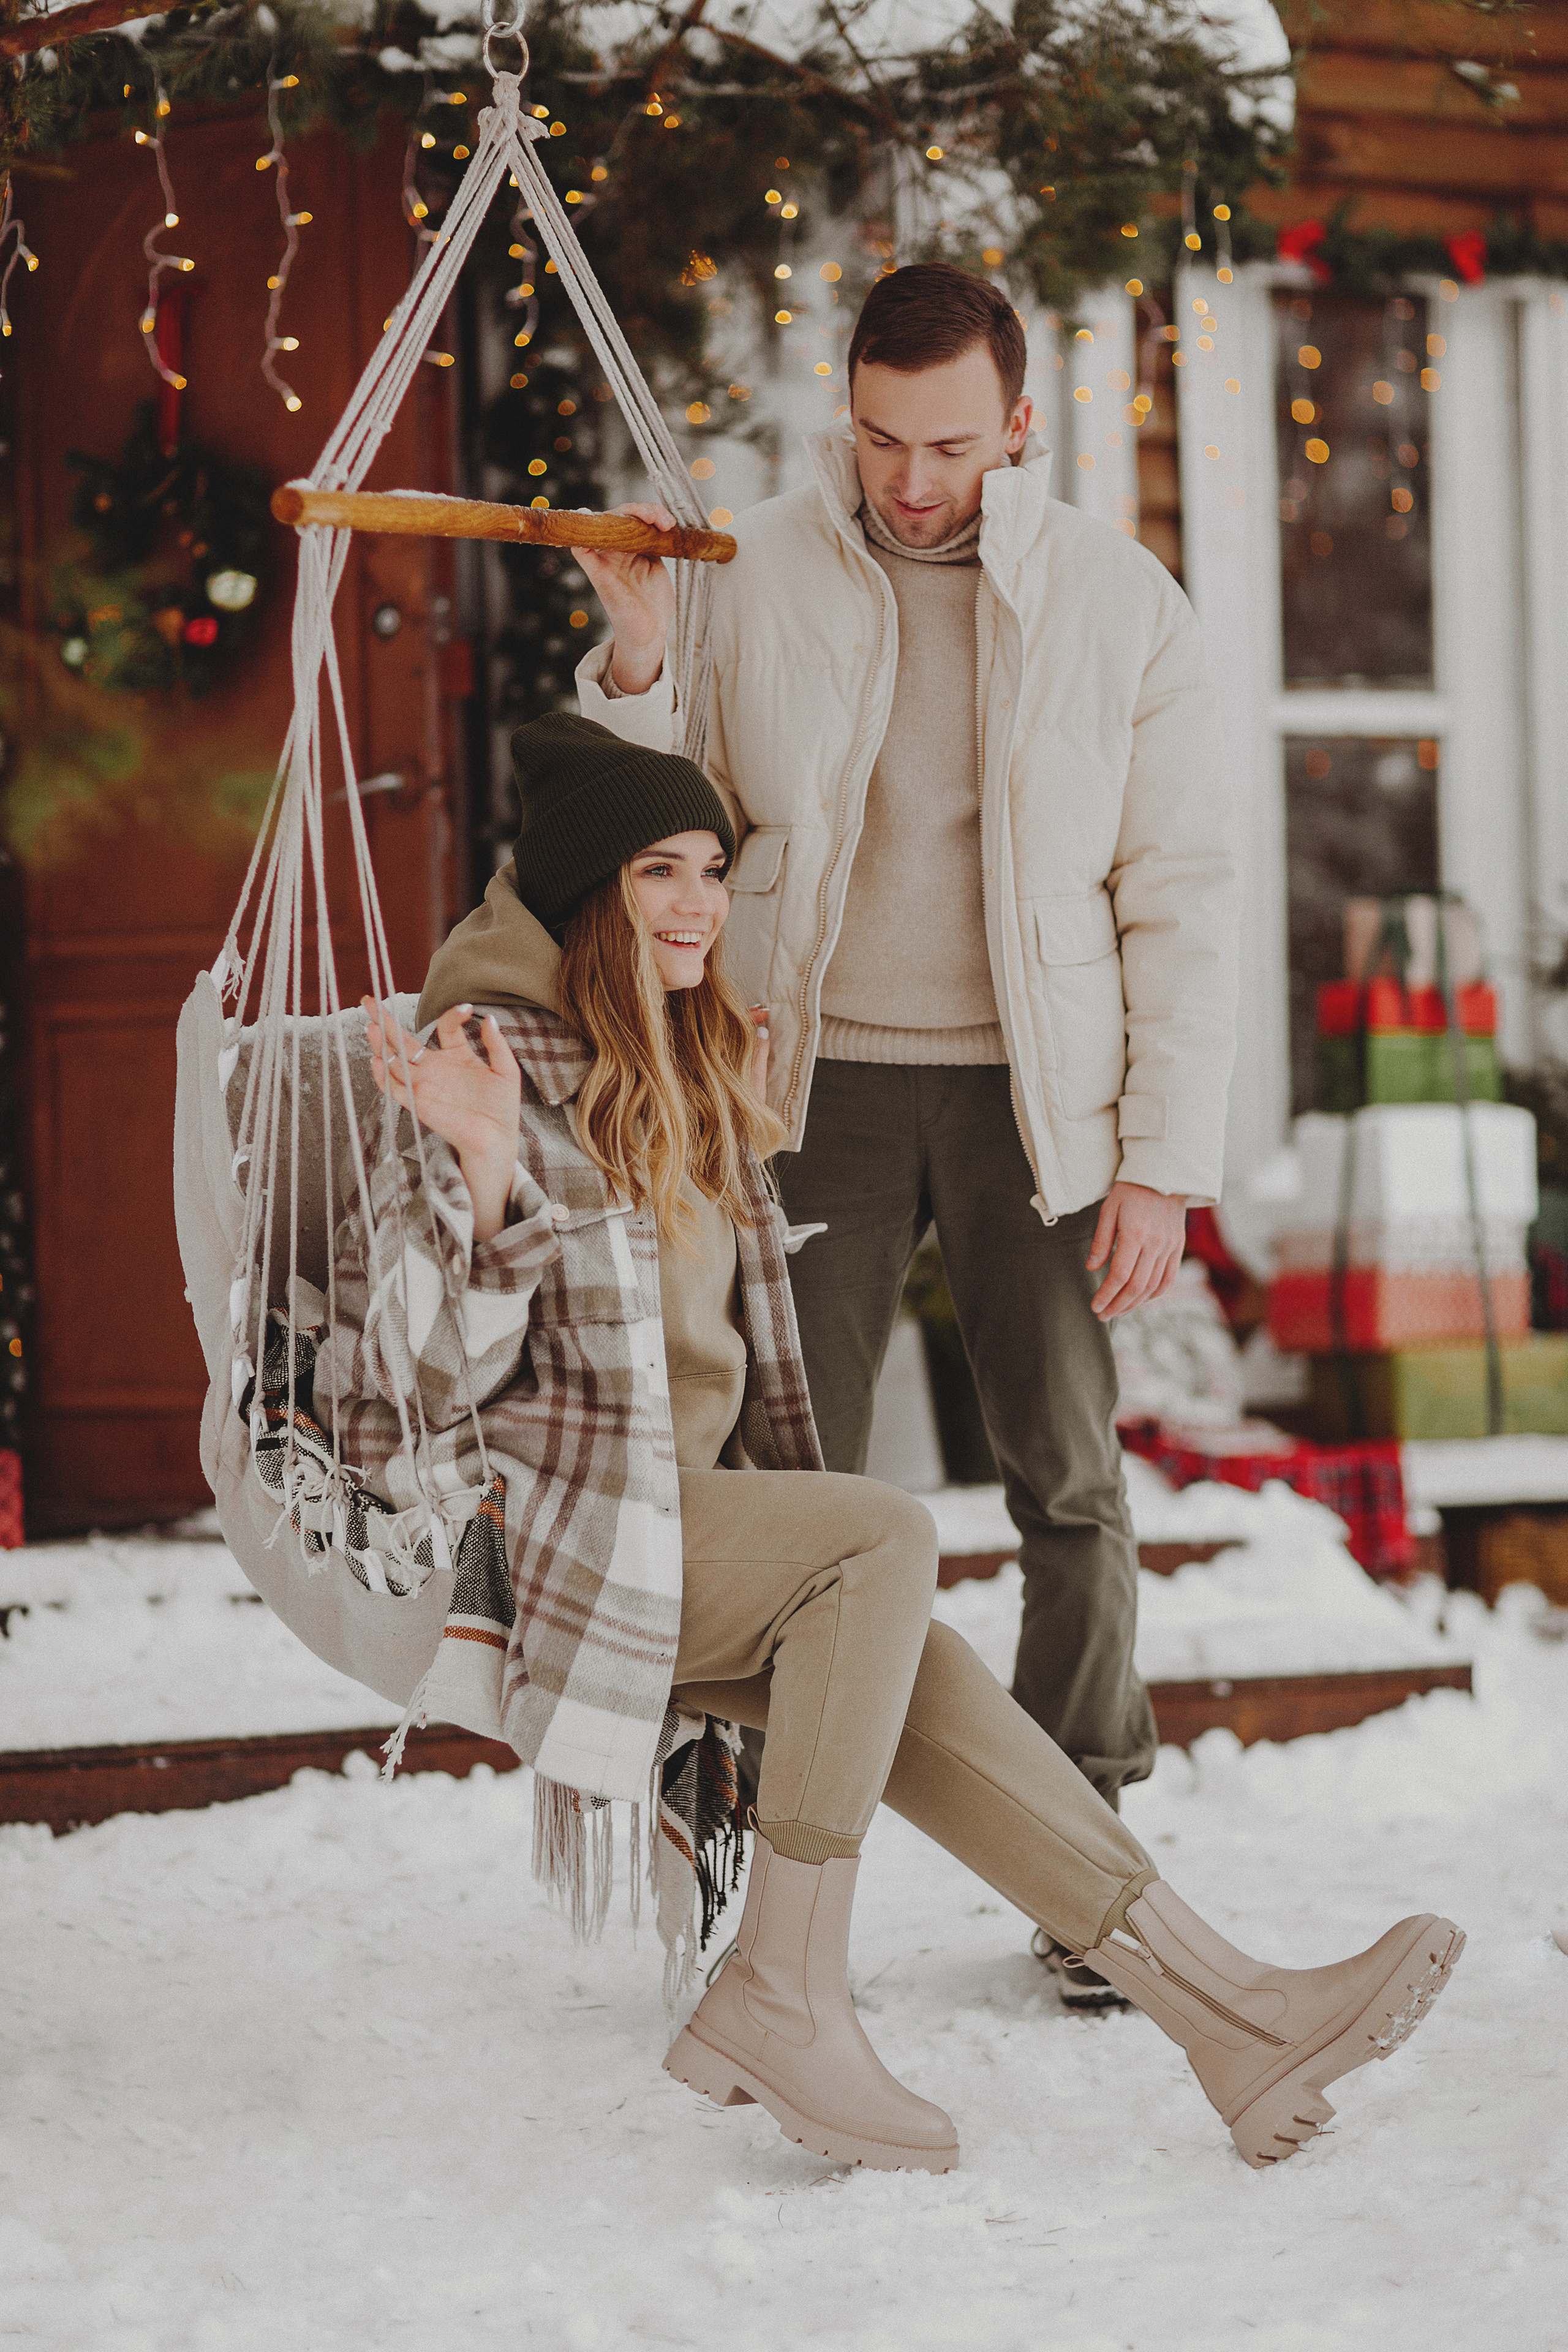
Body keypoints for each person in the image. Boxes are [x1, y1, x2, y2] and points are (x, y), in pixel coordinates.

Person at [324, 714, 1460, 2178]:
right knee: (879, 1536)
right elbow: (397, 1390)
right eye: (653, 870)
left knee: (911, 1666)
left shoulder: (678, 1068)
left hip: (689, 1525)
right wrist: (480, 1178)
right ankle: (779, 1996)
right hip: (562, 1544)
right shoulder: (485, 1067)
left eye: (711, 869)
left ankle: (1233, 2019)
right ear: (582, 893)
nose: (691, 902)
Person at [571, 262, 1238, 2007]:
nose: (910, 478)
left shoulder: (1124, 602)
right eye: (879, 439)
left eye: (947, 444)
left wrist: (1161, 1154)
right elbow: (650, 818)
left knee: (1070, 1482)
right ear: (843, 418)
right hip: (814, 1088)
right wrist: (643, 650)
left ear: (1020, 424)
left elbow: (1183, 893)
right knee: (784, 1499)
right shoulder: (755, 569)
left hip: (1043, 1101)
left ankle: (1085, 1856)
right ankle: (762, 1872)